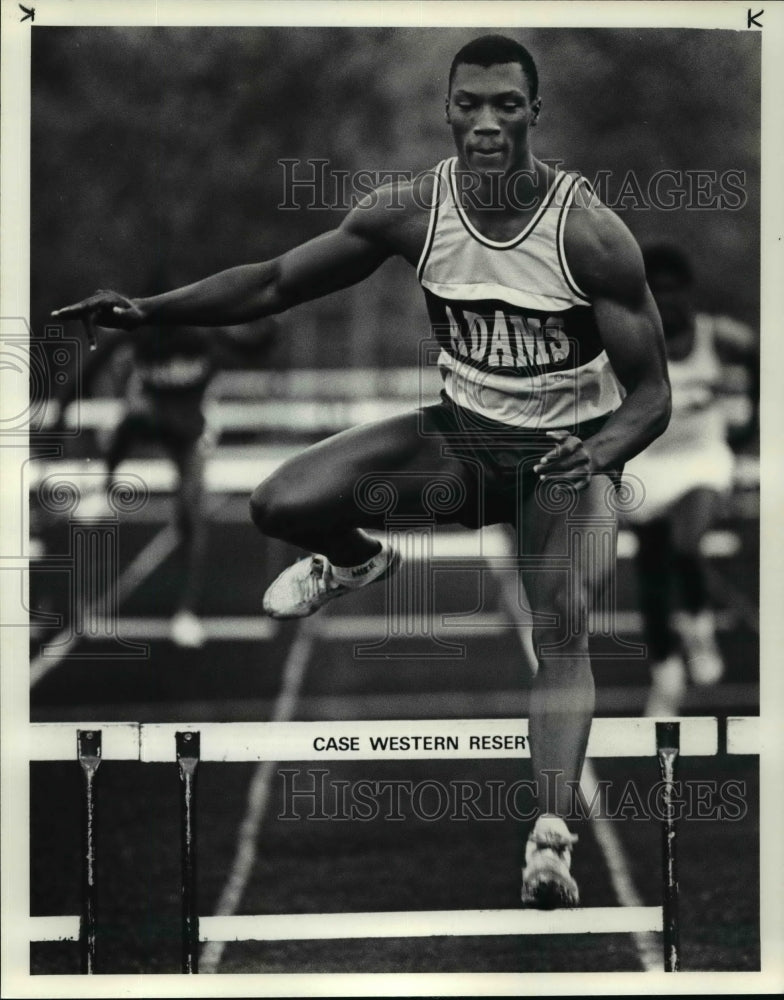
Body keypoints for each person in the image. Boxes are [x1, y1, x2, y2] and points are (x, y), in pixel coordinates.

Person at [53, 35, 670, 908]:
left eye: (506, 104)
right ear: (448, 110)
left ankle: (549, 841)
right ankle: (355, 560)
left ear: (536, 111)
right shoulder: (414, 212)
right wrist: (148, 312)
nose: (486, 121)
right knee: (278, 503)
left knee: (563, 623)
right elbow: (272, 284)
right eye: (469, 103)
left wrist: (601, 453)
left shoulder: (590, 234)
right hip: (462, 443)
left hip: (562, 464)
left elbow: (652, 397)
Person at [51, 320, 277, 648]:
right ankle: (106, 486)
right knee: (131, 422)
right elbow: (88, 370)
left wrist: (272, 327)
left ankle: (186, 612)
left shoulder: (204, 332)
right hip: (151, 415)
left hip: (189, 427)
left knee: (190, 514)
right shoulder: (139, 332)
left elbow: (252, 348)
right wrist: (60, 414)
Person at [623, 244, 757, 717]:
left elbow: (763, 352)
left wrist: (753, 424)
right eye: (655, 293)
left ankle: (699, 631)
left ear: (689, 293)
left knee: (686, 542)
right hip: (647, 466)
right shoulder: (630, 338)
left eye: (674, 292)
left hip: (703, 461)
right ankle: (666, 681)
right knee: (653, 582)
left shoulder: (716, 336)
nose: (667, 303)